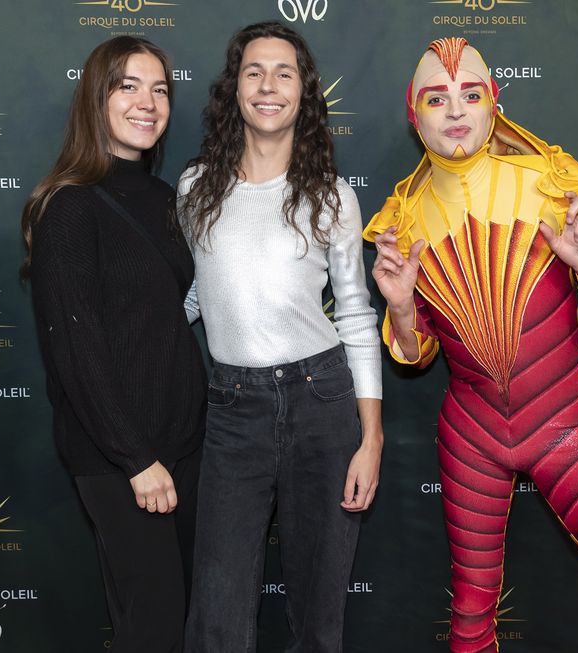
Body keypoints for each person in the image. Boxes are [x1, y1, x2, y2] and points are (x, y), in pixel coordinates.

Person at [365, 37, 578, 653]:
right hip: (470, 437)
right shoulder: (402, 220)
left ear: (494, 103)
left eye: (471, 94)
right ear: (414, 116)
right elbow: (415, 353)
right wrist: (403, 309)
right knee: (470, 622)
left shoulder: (548, 182)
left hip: (563, 428)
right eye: (436, 98)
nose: (455, 109)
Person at [178, 21, 383, 653]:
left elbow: (356, 314)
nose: (268, 85)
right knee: (216, 617)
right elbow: (199, 291)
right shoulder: (195, 189)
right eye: (255, 71)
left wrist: (371, 438)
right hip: (232, 409)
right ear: (234, 88)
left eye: (284, 73)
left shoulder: (330, 196)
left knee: (319, 618)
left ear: (303, 92)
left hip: (323, 403)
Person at [22, 36, 206, 653]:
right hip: (121, 456)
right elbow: (76, 351)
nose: (147, 102)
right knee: (154, 627)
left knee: (180, 621)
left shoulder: (165, 200)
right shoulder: (69, 207)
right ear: (95, 98)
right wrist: (137, 459)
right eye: (128, 86)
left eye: (160, 89)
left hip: (184, 447)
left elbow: (167, 319)